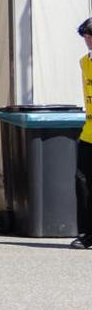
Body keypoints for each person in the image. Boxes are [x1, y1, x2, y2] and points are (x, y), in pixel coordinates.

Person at [74, 17, 92, 250]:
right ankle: (86, 232)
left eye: (90, 36)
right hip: (88, 132)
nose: (88, 41)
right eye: (86, 37)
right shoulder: (84, 62)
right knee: (83, 183)